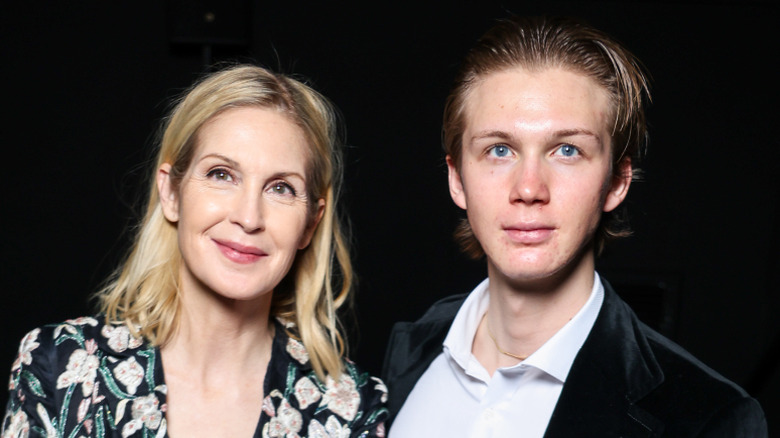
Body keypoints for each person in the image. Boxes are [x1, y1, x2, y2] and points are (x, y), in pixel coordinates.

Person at [382, 16, 767, 437]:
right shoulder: (414, 345)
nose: (528, 188)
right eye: (499, 149)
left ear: (617, 182)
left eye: (567, 150)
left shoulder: (705, 417)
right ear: (457, 180)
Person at [3, 65, 388, 438]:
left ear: (310, 223)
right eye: (221, 174)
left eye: (280, 188)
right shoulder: (61, 368)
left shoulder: (350, 409)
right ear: (171, 192)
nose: (248, 217)